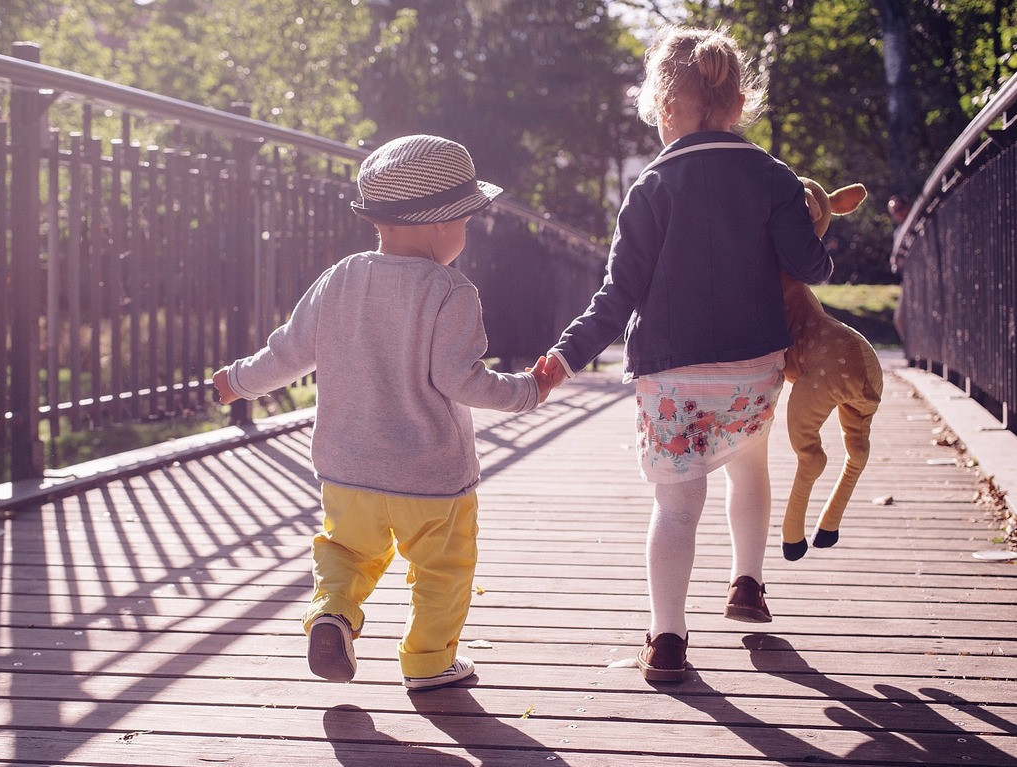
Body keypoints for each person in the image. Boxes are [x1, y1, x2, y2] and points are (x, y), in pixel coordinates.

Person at [538, 26, 834, 683]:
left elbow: (616, 297)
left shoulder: (650, 188)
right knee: (748, 461)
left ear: (667, 106)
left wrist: (565, 357)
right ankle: (747, 584)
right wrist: (815, 221)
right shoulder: (773, 176)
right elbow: (811, 265)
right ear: (736, 102)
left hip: (672, 375)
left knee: (676, 505)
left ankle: (667, 638)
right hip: (752, 368)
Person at [212, 134, 554, 691]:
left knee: (346, 551)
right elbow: (459, 380)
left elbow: (289, 353)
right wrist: (527, 391)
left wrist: (237, 381)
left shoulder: (340, 277)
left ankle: (333, 614)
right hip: (432, 479)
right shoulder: (452, 291)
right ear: (442, 224)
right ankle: (428, 661)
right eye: (466, 220)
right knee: (442, 571)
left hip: (348, 470)